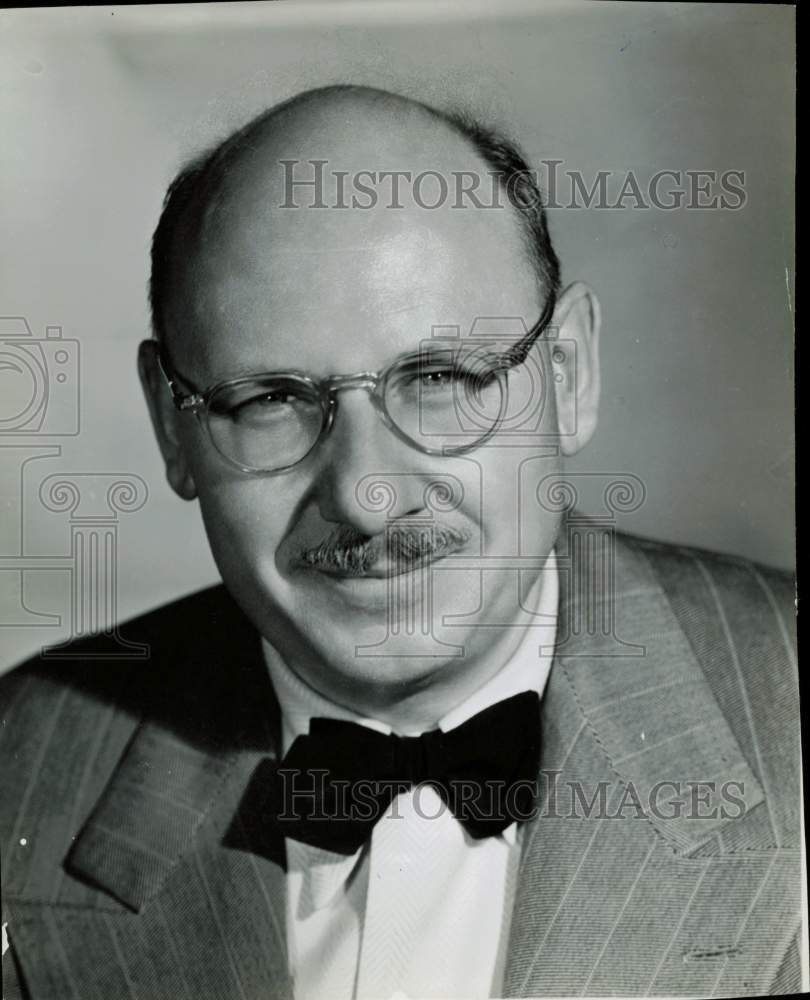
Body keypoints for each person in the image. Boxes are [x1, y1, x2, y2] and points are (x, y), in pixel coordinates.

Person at [0, 85, 800, 1000]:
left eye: (439, 377)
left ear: (568, 376)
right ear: (173, 429)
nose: (368, 500)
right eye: (270, 401)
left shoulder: (788, 705)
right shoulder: (17, 772)